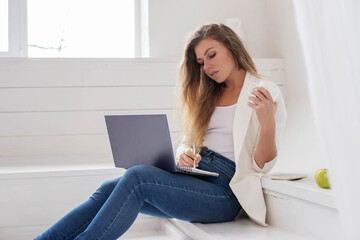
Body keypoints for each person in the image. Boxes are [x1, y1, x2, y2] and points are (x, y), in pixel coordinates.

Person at [35, 23, 287, 240]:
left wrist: (268, 124)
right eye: (201, 62)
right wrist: (185, 154)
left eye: (212, 55)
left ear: (232, 48)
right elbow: (188, 141)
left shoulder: (264, 91)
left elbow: (262, 165)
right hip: (196, 176)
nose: (207, 66)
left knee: (137, 177)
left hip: (225, 193)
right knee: (109, 188)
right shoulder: (209, 94)